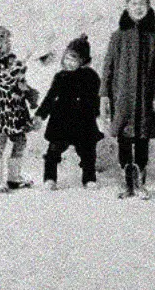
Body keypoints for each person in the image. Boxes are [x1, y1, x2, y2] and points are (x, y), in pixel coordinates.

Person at [100, 0, 155, 199]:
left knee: (142, 138)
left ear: (148, 8)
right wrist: (104, 94)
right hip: (122, 97)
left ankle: (139, 182)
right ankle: (125, 182)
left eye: (142, 4)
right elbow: (108, 66)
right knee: (123, 137)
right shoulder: (118, 37)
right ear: (127, 7)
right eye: (134, 3)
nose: (138, 8)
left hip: (146, 98)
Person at [34, 34, 103, 189]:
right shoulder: (61, 77)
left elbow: (95, 98)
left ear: (83, 61)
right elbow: (50, 97)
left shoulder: (91, 77)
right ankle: (50, 178)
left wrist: (98, 116)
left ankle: (89, 178)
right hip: (61, 120)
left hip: (84, 120)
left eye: (74, 59)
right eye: (67, 58)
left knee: (88, 152)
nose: (69, 63)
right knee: (53, 151)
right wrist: (40, 115)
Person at [0, 25, 37, 193]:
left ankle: (14, 177)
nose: (9, 43)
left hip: (14, 111)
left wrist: (28, 91)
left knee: (20, 141)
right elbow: (5, 81)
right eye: (6, 41)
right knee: (0, 143)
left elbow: (18, 82)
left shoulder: (10, 60)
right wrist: (21, 65)